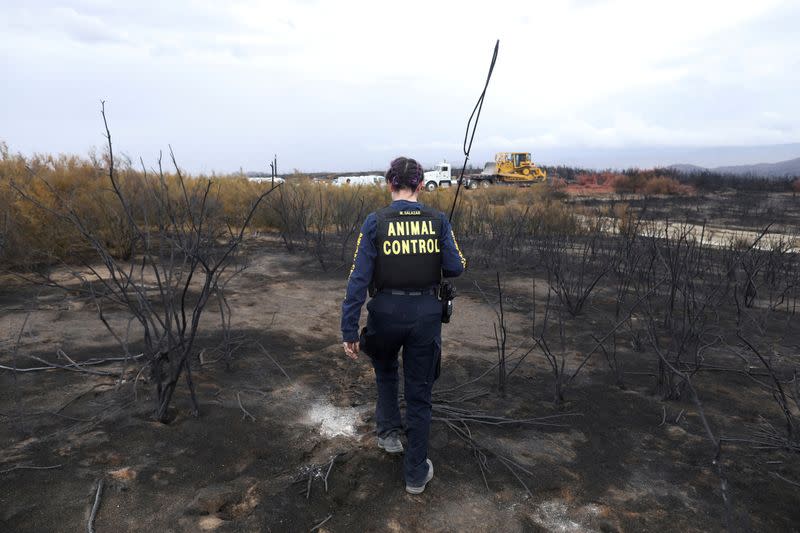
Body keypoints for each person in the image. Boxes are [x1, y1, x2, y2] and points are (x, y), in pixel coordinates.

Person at [341, 156, 466, 494]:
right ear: (421, 185)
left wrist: (349, 330)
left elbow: (358, 278)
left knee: (384, 368)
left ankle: (388, 434)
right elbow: (456, 267)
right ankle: (414, 474)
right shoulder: (438, 220)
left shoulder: (374, 221)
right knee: (420, 392)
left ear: (389, 184)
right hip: (426, 315)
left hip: (384, 312)